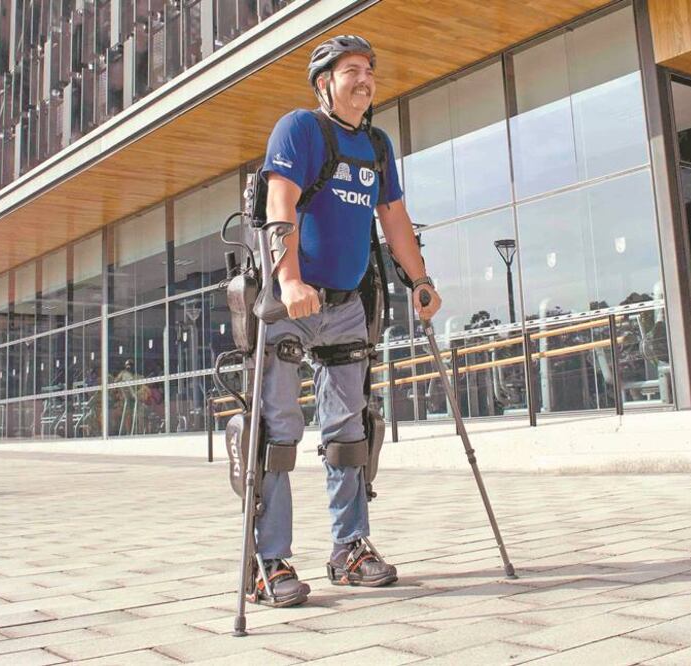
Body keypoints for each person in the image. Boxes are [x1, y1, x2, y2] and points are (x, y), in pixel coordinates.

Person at [253, 35, 442, 607]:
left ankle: (350, 550)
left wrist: (421, 281)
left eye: (369, 71)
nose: (364, 79)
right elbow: (278, 204)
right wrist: (289, 280)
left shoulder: (378, 146)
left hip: (346, 309)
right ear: (324, 83)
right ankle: (268, 562)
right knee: (279, 433)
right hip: (292, 303)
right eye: (350, 70)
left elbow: (396, 220)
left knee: (349, 434)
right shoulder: (300, 129)